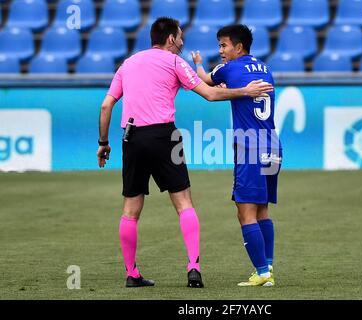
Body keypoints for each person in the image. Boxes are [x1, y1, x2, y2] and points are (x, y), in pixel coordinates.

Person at [96, 17, 274, 289]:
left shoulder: (128, 64)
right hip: (165, 136)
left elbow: (106, 106)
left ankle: (132, 273)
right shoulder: (176, 62)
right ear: (170, 39)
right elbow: (211, 95)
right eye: (180, 37)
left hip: (131, 138)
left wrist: (103, 142)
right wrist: (245, 91)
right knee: (184, 204)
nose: (182, 42)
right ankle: (194, 269)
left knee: (130, 211)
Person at [191, 24, 282, 287]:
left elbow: (204, 81)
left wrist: (197, 63)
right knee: (262, 209)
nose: (220, 51)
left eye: (223, 45)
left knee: (245, 212)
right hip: (273, 144)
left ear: (238, 47)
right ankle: (268, 269)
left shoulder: (229, 68)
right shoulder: (265, 68)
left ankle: (262, 272)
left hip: (250, 147)